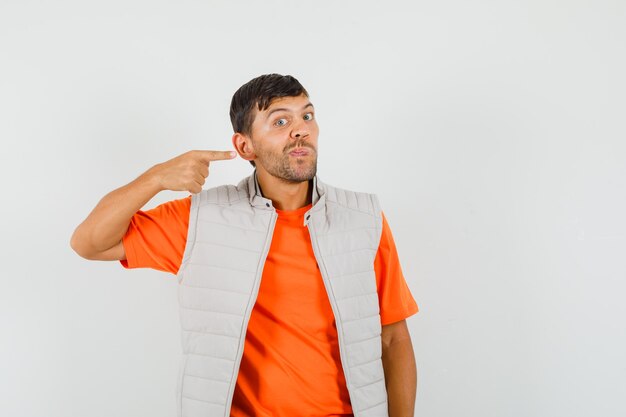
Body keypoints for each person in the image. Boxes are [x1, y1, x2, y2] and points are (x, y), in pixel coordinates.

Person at [70, 73, 419, 417]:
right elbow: (90, 242)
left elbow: (393, 338)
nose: (301, 130)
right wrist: (157, 177)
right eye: (280, 121)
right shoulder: (201, 219)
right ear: (244, 146)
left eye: (307, 116)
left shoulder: (363, 218)